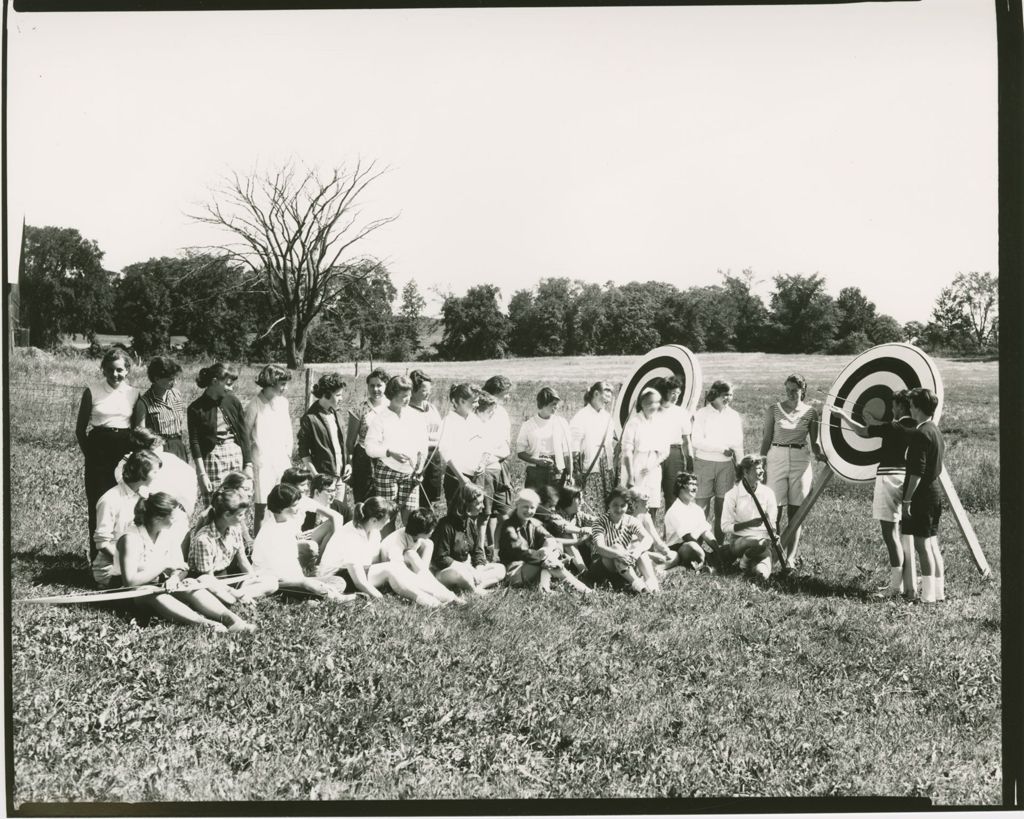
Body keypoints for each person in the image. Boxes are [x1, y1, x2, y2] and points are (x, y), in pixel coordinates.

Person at [117, 492, 255, 633]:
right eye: (172, 517)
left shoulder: (166, 532)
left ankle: (232, 620)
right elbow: (130, 582)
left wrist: (174, 578)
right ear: (158, 518)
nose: (176, 520)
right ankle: (204, 624)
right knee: (150, 593)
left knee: (190, 583)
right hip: (130, 593)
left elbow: (181, 567)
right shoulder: (131, 538)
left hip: (158, 583)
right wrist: (164, 565)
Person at [833, 390, 918, 597]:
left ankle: (894, 587)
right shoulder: (917, 427)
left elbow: (862, 431)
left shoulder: (892, 427)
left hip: (889, 478)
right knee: (901, 532)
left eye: (893, 406)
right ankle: (906, 584)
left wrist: (843, 416)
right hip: (908, 479)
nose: (891, 409)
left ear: (900, 406)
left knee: (889, 533)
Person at [316, 497, 445, 607]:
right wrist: (381, 601)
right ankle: (429, 601)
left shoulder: (373, 531)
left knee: (395, 568)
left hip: (353, 572)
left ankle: (439, 594)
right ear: (373, 520)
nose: (389, 521)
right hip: (336, 577)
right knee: (390, 570)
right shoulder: (351, 536)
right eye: (387, 519)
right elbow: (359, 581)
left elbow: (372, 561)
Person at [76, 347, 140, 551]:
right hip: (99, 453)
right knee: (98, 503)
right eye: (110, 369)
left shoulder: (134, 393)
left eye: (120, 370)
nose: (115, 374)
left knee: (125, 502)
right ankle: (98, 559)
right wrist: (92, 456)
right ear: (103, 369)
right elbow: (80, 430)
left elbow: (138, 428)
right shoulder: (92, 391)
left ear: (128, 370)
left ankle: (122, 555)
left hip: (125, 452)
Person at [759, 373, 826, 569]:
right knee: (774, 510)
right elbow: (766, 439)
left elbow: (814, 443)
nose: (790, 393)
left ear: (802, 390)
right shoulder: (774, 409)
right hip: (776, 457)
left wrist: (826, 456)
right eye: (787, 389)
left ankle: (790, 559)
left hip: (800, 460)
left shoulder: (811, 412)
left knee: (797, 511)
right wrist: (761, 463)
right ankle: (772, 555)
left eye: (794, 390)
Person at [250, 483, 353, 601]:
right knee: (312, 585)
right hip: (275, 583)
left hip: (293, 579)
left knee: (338, 581)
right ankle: (324, 596)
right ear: (280, 508)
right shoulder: (271, 532)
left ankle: (312, 596)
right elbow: (279, 575)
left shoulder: (287, 523)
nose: (298, 508)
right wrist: (305, 582)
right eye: (294, 505)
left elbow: (292, 565)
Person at [113, 427, 197, 558]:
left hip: (171, 510)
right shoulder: (127, 465)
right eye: (157, 446)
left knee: (176, 529)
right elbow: (135, 490)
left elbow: (189, 481)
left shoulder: (170, 460)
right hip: (145, 512)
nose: (162, 447)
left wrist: (183, 505)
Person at [187, 487, 279, 604]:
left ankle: (237, 597)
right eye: (240, 515)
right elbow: (208, 579)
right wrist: (234, 592)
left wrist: (254, 579)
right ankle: (236, 598)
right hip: (208, 584)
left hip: (227, 580)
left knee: (272, 582)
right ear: (226, 515)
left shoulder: (235, 529)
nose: (244, 518)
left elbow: (242, 560)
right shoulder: (204, 539)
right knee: (215, 590)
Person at [497, 489, 592, 594]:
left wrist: (546, 550)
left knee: (555, 547)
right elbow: (520, 551)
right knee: (550, 560)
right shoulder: (509, 526)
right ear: (517, 505)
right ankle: (583, 590)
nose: (529, 511)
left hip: (533, 564)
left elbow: (549, 538)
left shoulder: (532, 523)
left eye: (532, 507)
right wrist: (543, 557)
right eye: (525, 506)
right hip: (514, 571)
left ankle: (545, 588)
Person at [901, 388, 946, 604]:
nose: (909, 408)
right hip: (934, 492)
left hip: (923, 494)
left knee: (921, 545)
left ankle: (928, 597)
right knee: (930, 543)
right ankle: (938, 593)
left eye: (911, 405)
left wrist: (907, 499)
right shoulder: (934, 429)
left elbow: (916, 473)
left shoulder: (921, 433)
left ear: (918, 407)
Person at [91, 450, 162, 587]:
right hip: (112, 569)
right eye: (155, 472)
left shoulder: (146, 496)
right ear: (142, 473)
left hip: (140, 563)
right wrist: (131, 563)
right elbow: (102, 544)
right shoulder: (110, 500)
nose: (157, 477)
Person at [364, 375, 428, 525]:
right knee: (387, 517)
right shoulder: (380, 418)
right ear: (392, 395)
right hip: (387, 471)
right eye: (403, 396)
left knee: (411, 518)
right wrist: (389, 452)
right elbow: (370, 448)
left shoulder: (416, 417)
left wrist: (420, 468)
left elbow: (423, 446)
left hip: (409, 473)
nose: (407, 399)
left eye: (409, 395)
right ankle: (386, 547)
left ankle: (407, 548)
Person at [187, 363, 252, 504]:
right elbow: (195, 442)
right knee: (215, 501)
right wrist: (201, 474)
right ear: (214, 382)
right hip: (212, 457)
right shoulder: (195, 408)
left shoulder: (233, 402)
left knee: (237, 501)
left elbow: (243, 434)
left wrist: (248, 464)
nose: (231, 388)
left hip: (234, 454)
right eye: (228, 384)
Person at [691, 380, 744, 543]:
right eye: (724, 395)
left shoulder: (733, 416)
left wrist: (741, 467)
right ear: (714, 395)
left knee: (723, 508)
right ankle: (696, 547)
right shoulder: (701, 414)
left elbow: (738, 443)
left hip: (726, 466)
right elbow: (696, 441)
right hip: (704, 463)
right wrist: (721, 449)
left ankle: (719, 547)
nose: (727, 398)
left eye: (730, 394)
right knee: (700, 508)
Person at [431, 484, 507, 595]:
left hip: (468, 570)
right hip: (446, 572)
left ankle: (473, 585)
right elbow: (441, 559)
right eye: (478, 503)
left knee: (501, 569)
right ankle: (475, 590)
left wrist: (479, 569)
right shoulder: (445, 525)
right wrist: (469, 569)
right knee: (460, 574)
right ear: (465, 504)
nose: (483, 507)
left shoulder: (470, 523)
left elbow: (477, 551)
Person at [245, 364, 294, 534]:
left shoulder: (283, 403)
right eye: (282, 384)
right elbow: (245, 436)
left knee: (285, 502)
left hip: (282, 461)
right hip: (263, 463)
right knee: (263, 506)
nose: (285, 388)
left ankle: (282, 537)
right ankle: (259, 545)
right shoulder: (254, 406)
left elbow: (288, 432)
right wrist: (249, 463)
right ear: (270, 382)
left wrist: (288, 453)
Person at [381, 509, 464, 605]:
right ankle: (443, 595)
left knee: (427, 545)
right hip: (391, 576)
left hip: (407, 568)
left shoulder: (413, 535)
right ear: (422, 531)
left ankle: (437, 588)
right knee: (411, 555)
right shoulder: (395, 545)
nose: (433, 531)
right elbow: (398, 573)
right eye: (431, 529)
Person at [589, 486, 659, 594]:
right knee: (617, 547)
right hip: (602, 565)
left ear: (627, 506)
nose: (619, 509)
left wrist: (636, 553)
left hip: (623, 565)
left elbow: (648, 539)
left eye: (623, 505)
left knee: (639, 549)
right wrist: (620, 554)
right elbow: (600, 547)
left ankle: (652, 584)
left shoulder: (630, 520)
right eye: (615, 505)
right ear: (609, 504)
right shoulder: (600, 522)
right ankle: (640, 587)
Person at [721, 455, 779, 581]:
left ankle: (747, 564)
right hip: (739, 542)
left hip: (763, 544)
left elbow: (772, 522)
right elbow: (725, 527)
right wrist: (749, 524)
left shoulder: (768, 493)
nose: (762, 470)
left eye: (762, 467)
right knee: (757, 542)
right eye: (758, 468)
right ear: (745, 472)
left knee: (762, 575)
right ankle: (743, 561)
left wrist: (773, 534)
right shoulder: (732, 494)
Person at [298, 372, 351, 502]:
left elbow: (342, 445)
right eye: (338, 395)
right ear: (327, 394)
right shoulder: (310, 418)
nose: (341, 398)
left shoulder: (336, 414)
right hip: (324, 480)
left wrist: (348, 464)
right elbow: (304, 451)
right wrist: (316, 476)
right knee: (322, 518)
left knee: (338, 514)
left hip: (340, 477)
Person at [619, 388, 669, 519]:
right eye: (650, 403)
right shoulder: (634, 423)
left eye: (657, 402)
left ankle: (650, 536)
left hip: (653, 467)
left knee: (651, 504)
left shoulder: (659, 423)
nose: (654, 406)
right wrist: (630, 476)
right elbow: (627, 451)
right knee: (633, 503)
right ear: (642, 403)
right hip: (636, 466)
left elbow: (665, 450)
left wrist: (652, 465)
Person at [480, 376, 515, 547]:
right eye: (505, 394)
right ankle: (489, 546)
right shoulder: (482, 411)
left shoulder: (503, 413)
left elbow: (506, 441)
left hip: (502, 465)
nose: (508, 397)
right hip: (487, 466)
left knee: (503, 510)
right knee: (487, 512)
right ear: (494, 394)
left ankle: (500, 548)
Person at [131, 356, 189, 461]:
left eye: (175, 378)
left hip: (178, 447)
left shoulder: (176, 395)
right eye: (170, 379)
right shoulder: (144, 403)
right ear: (157, 378)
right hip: (158, 450)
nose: (174, 382)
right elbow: (140, 434)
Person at [346, 368, 390, 504]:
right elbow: (350, 441)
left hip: (387, 457)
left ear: (386, 386)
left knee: (384, 500)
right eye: (372, 385)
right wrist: (349, 463)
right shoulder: (359, 409)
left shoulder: (392, 407)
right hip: (364, 458)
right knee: (364, 497)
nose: (375, 389)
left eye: (379, 385)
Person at [437, 383, 486, 504]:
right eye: (474, 401)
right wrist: (461, 478)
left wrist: (483, 463)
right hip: (457, 477)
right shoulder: (448, 422)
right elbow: (445, 452)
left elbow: (484, 445)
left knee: (476, 511)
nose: (477, 404)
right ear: (461, 401)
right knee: (457, 514)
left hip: (477, 476)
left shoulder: (475, 420)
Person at [517, 387, 573, 491]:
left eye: (557, 404)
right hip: (535, 473)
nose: (556, 407)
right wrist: (536, 460)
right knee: (535, 504)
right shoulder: (528, 425)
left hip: (556, 472)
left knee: (555, 504)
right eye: (553, 404)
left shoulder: (562, 423)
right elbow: (520, 452)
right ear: (543, 404)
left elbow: (567, 452)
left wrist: (570, 474)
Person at [663, 471, 720, 571]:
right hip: (678, 548)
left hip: (696, 546)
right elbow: (687, 538)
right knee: (692, 547)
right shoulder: (675, 510)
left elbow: (705, 532)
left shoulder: (697, 509)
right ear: (681, 486)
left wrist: (718, 550)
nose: (695, 488)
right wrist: (707, 555)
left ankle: (707, 565)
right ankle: (706, 564)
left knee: (726, 549)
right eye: (691, 484)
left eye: (696, 484)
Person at [569, 381, 616, 494]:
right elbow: (574, 447)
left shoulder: (607, 417)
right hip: (589, 471)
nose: (606, 403)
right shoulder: (581, 416)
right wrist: (576, 472)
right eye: (604, 400)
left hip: (607, 470)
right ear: (595, 394)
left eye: (608, 402)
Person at [407, 370, 445, 511]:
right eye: (424, 391)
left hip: (434, 457)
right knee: (416, 499)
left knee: (431, 501)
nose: (428, 393)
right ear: (413, 390)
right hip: (417, 458)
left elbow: (440, 431)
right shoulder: (407, 410)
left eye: (429, 390)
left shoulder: (432, 408)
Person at [657, 376, 695, 510]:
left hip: (675, 454)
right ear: (664, 391)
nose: (676, 397)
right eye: (673, 393)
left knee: (673, 495)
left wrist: (690, 458)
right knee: (652, 496)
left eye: (678, 393)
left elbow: (686, 440)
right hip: (655, 453)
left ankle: (671, 530)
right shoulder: (652, 410)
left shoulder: (681, 413)